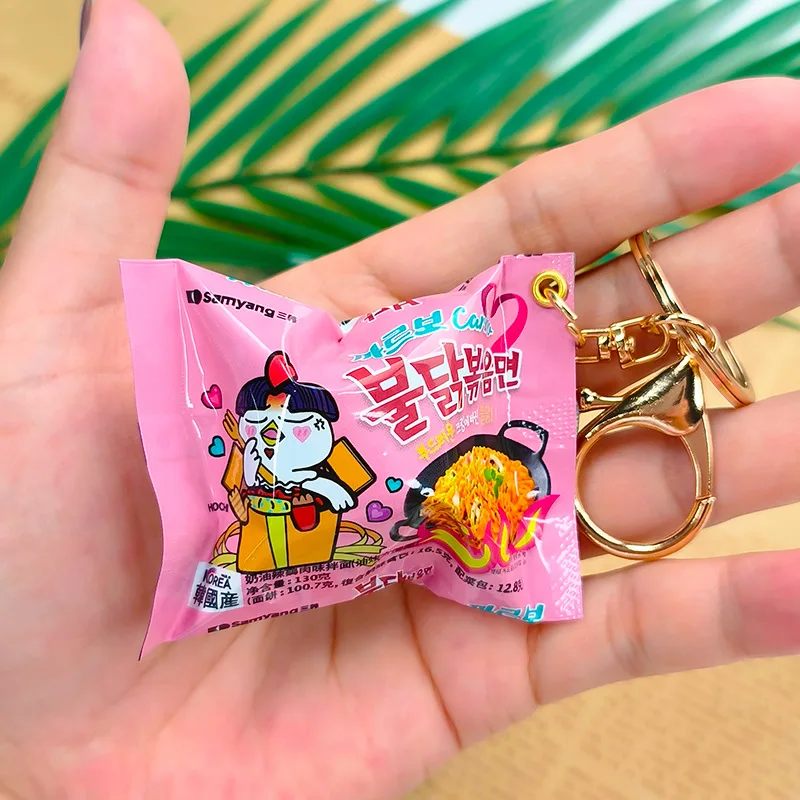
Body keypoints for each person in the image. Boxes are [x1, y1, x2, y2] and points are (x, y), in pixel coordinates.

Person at [1, 0, 799, 796]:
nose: (279, 435)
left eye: (296, 424)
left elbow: (366, 487)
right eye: (270, 425)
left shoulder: (356, 463)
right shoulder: (244, 468)